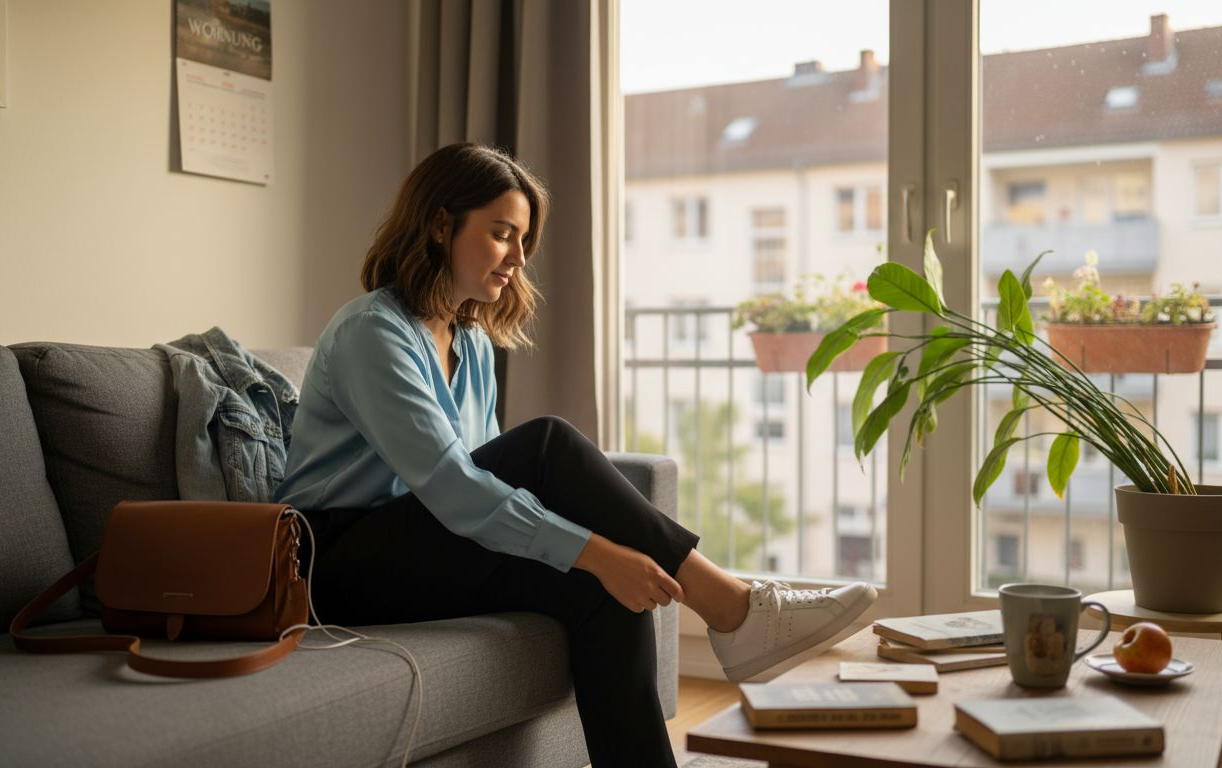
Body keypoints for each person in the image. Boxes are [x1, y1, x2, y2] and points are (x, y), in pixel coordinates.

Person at [275, 142, 878, 767]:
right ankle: (733, 607)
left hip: (425, 548)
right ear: (439, 224)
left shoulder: (470, 342)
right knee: (547, 447)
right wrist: (599, 550)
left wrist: (601, 565)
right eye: (501, 234)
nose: (518, 258)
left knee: (608, 591)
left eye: (523, 240)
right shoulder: (372, 332)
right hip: (330, 567)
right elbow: (455, 487)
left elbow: (485, 485)